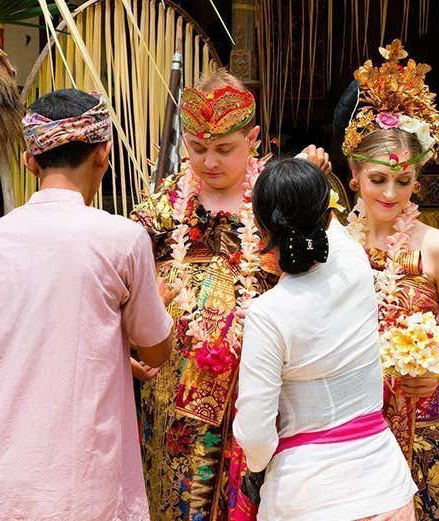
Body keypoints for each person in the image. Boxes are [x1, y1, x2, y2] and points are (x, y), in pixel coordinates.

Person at [0, 88, 174, 521]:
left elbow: (20, 345)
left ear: (31, 162)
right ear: (104, 155)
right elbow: (157, 351)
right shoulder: (122, 241)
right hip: (77, 490)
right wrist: (152, 310)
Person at [130, 69, 332, 521]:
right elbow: (121, 280)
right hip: (173, 384)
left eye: (224, 149)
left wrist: (311, 187)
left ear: (254, 138)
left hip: (256, 379)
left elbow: (321, 271)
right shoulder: (165, 204)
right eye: (197, 148)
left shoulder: (276, 198)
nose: (209, 162)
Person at [337, 39, 439, 519]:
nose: (391, 192)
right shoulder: (333, 242)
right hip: (347, 420)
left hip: (421, 421)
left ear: (418, 177)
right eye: (379, 179)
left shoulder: (437, 246)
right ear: (354, 174)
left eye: (405, 180)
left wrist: (436, 366)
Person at [232, 158, 417, 520]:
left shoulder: (268, 314)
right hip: (384, 486)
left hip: (308, 495)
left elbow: (255, 433)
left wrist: (257, 464)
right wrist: (302, 179)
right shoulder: (355, 263)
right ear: (327, 211)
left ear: (260, 226)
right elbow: (326, 225)